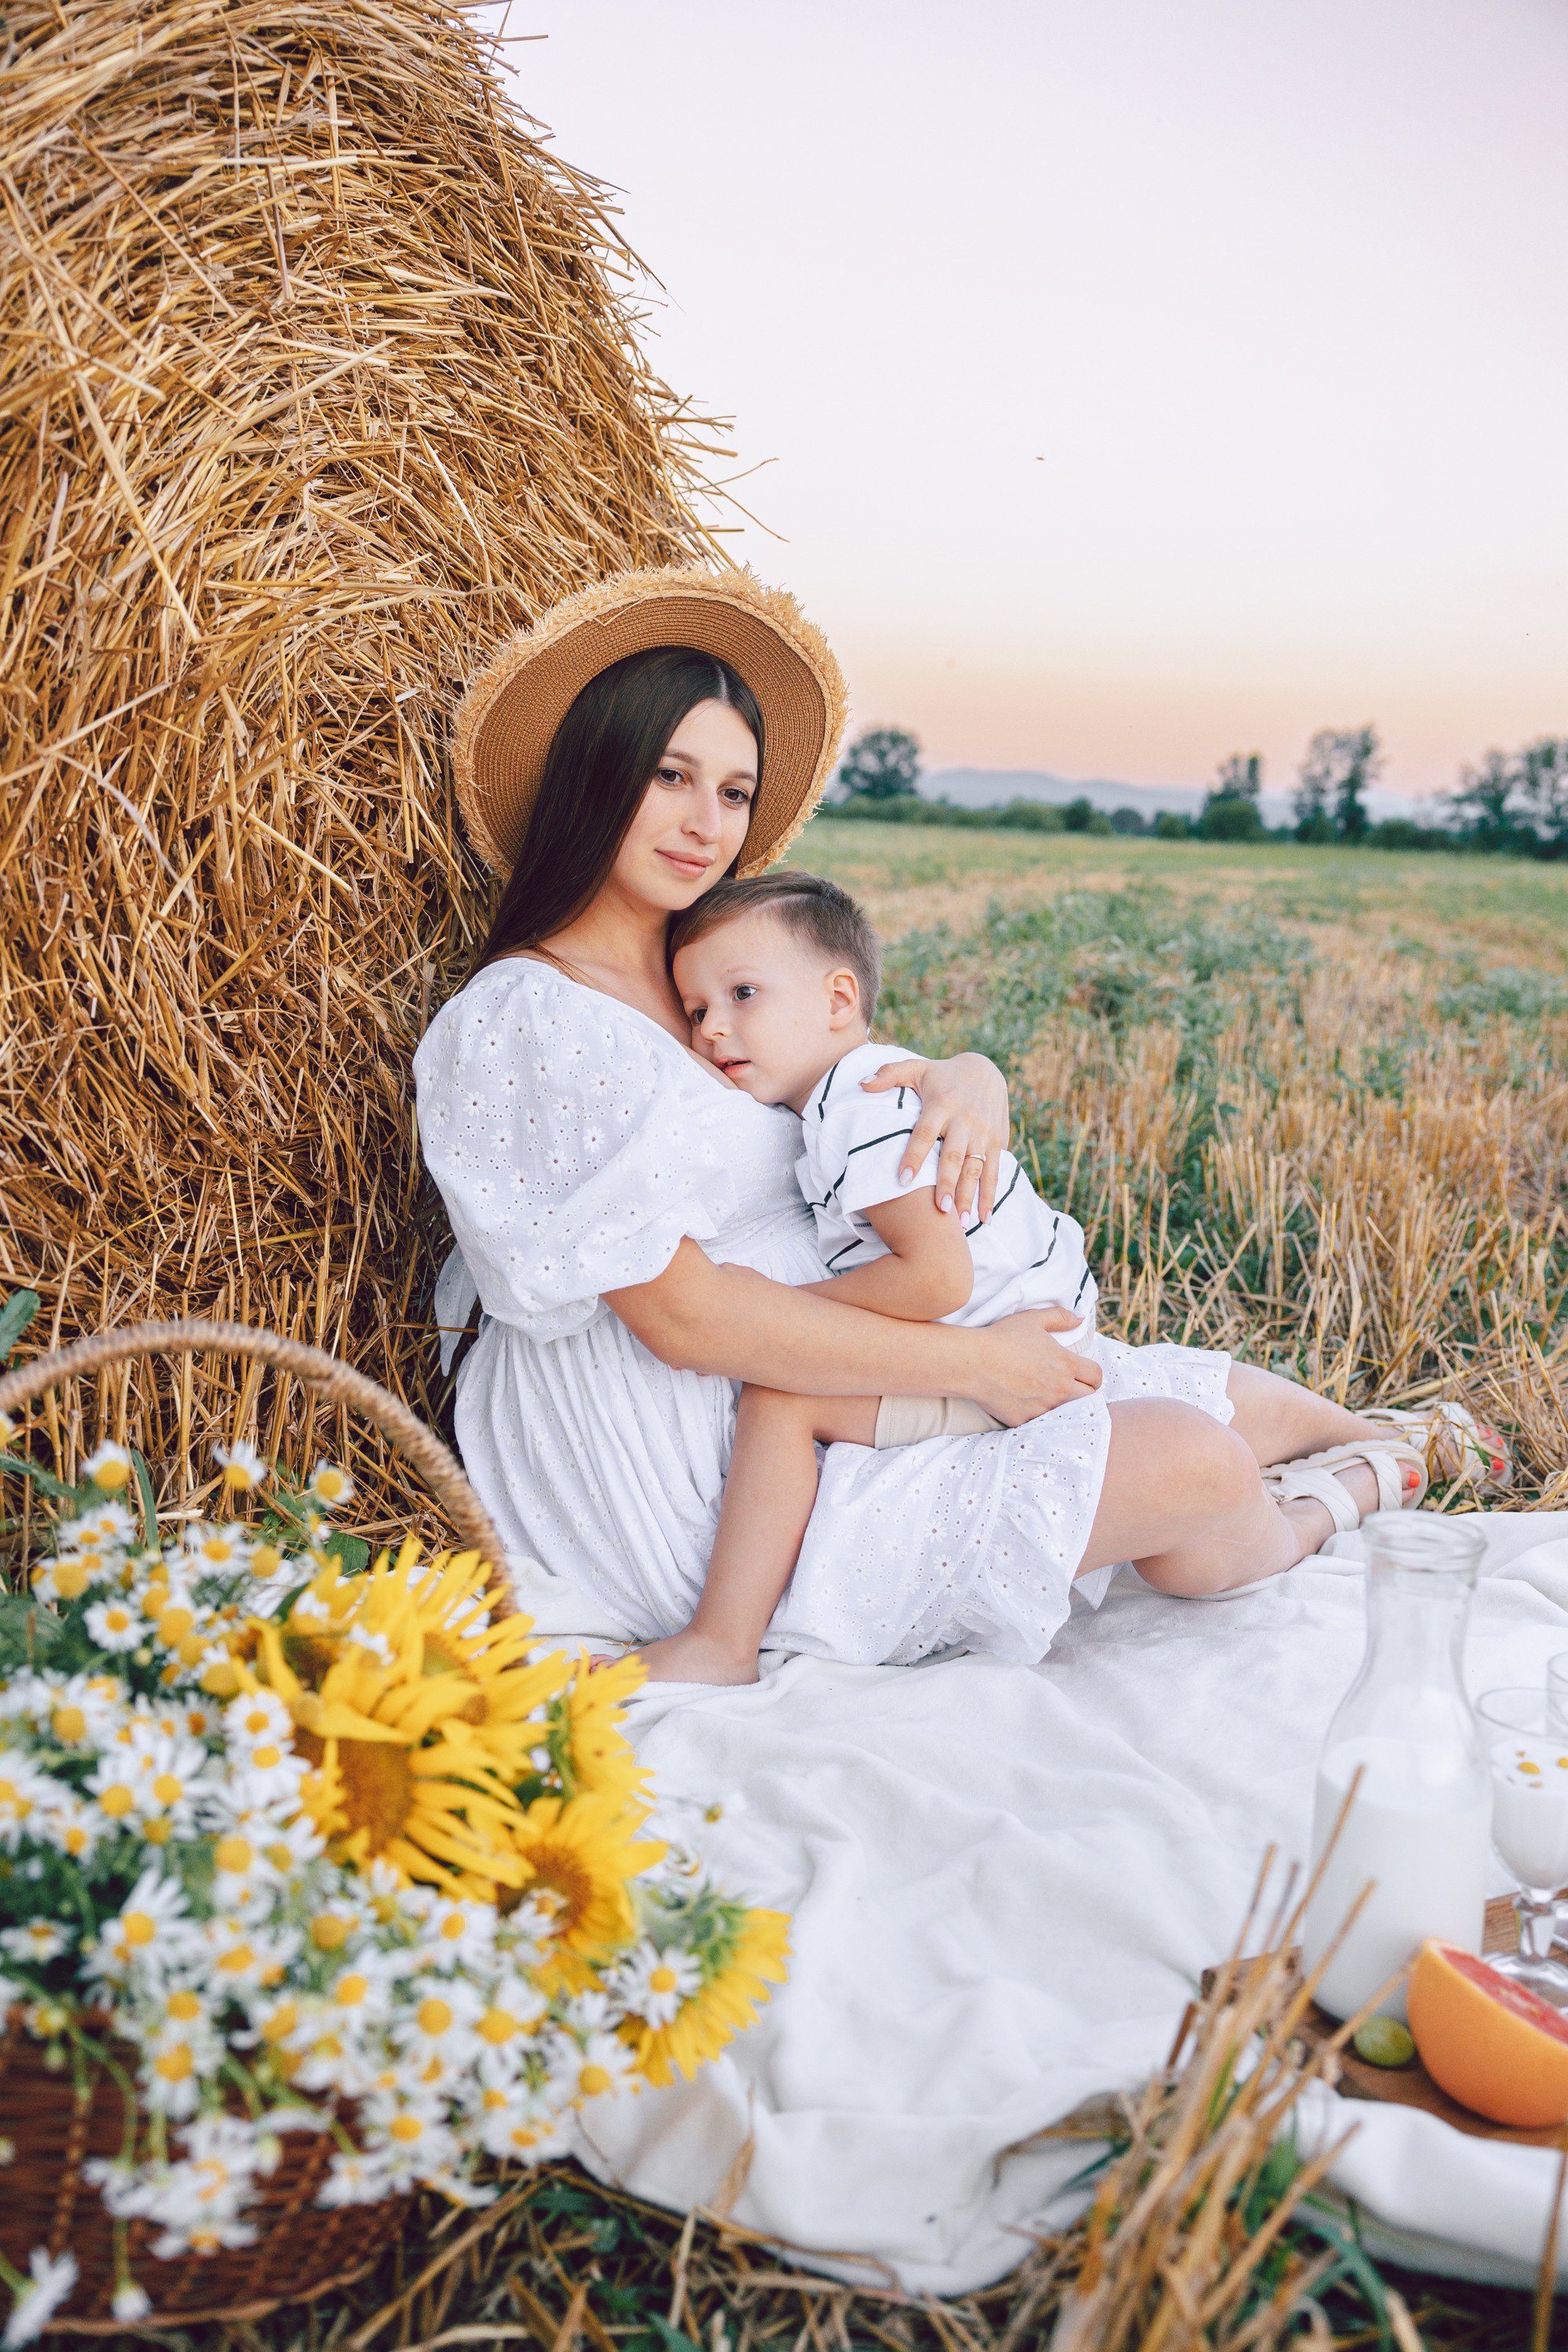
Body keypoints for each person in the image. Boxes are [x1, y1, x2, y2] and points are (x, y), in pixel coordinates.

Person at [412, 564, 1481, 1684]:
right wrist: (967, 1364)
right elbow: (681, 1318)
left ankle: (1378, 1440)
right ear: (598, 775)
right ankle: (1344, 1496)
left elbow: (841, 1075)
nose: (706, 824)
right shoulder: (531, 1017)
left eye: (733, 793)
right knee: (1192, 1460)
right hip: (697, 1478)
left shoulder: (701, 989)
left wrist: (963, 1074)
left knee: (1190, 1392)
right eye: (671, 775)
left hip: (818, 1385)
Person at [601, 868, 1426, 1683]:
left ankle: (722, 1642)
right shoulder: (872, 1085)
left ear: (838, 1000)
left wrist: (778, 1311)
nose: (712, 1030)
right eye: (698, 1010)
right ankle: (1377, 1441)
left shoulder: (852, 1110)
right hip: (1034, 1319)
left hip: (992, 1340)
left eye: (742, 995)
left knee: (781, 1396)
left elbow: (932, 1282)